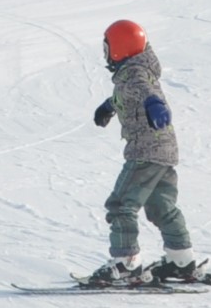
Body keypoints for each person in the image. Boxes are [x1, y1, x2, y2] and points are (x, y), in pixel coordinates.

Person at [83, 19, 202, 287]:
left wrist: (156, 106)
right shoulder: (136, 72)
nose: (105, 54)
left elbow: (146, 93)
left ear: (118, 49)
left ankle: (126, 264)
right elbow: (130, 95)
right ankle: (181, 260)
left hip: (145, 152)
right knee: (162, 207)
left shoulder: (134, 73)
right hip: (164, 151)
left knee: (121, 205)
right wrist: (109, 105)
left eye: (107, 48)